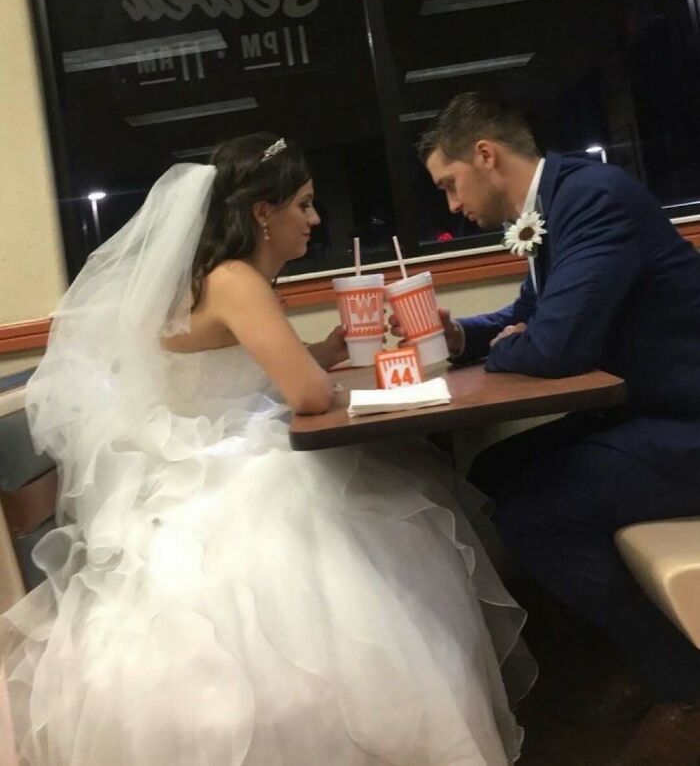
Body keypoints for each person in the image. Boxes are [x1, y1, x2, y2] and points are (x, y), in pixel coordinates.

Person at [0, 132, 535, 766]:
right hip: (227, 464)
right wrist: (329, 381)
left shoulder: (207, 278)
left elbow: (229, 371)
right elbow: (307, 398)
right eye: (303, 205)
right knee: (371, 535)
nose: (313, 220)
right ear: (263, 212)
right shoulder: (236, 280)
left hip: (186, 463)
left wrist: (323, 356)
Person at [391, 91, 700, 766]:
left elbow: (554, 344)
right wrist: (461, 334)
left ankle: (683, 685)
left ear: (485, 155)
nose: (450, 205)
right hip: (647, 410)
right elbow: (533, 315)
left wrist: (520, 338)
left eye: (449, 185)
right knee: (490, 473)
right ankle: (616, 652)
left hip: (685, 419)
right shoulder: (555, 206)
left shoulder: (593, 198)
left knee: (534, 514)